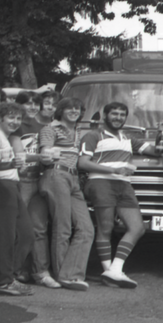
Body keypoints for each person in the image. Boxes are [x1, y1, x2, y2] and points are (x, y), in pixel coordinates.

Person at [78, 102, 163, 288]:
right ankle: (110, 271)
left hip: (124, 185)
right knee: (106, 228)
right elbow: (82, 163)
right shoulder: (93, 135)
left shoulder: (127, 138)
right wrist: (113, 170)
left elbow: (157, 152)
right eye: (114, 114)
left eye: (122, 114)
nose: (118, 118)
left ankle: (114, 270)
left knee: (137, 228)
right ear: (105, 116)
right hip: (100, 183)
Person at [0, 103, 35, 296]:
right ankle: (2, 282)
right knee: (5, 236)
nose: (15, 122)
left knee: (25, 234)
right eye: (11, 117)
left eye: (18, 118)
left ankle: (7, 276)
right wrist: (12, 163)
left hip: (10, 187)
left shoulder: (5, 137)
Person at [38, 97, 95, 291]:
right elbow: (45, 153)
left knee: (86, 228)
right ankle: (64, 275)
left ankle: (72, 274)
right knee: (62, 228)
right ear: (60, 110)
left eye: (77, 108)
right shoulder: (50, 129)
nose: (74, 111)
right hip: (56, 174)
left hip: (74, 179)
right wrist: (49, 153)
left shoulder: (79, 132)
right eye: (69, 108)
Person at [15, 93, 57, 288]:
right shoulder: (14, 126)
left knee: (39, 228)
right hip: (19, 182)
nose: (31, 107)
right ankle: (16, 270)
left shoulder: (45, 129)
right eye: (26, 103)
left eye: (35, 104)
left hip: (39, 180)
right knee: (17, 228)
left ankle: (41, 272)